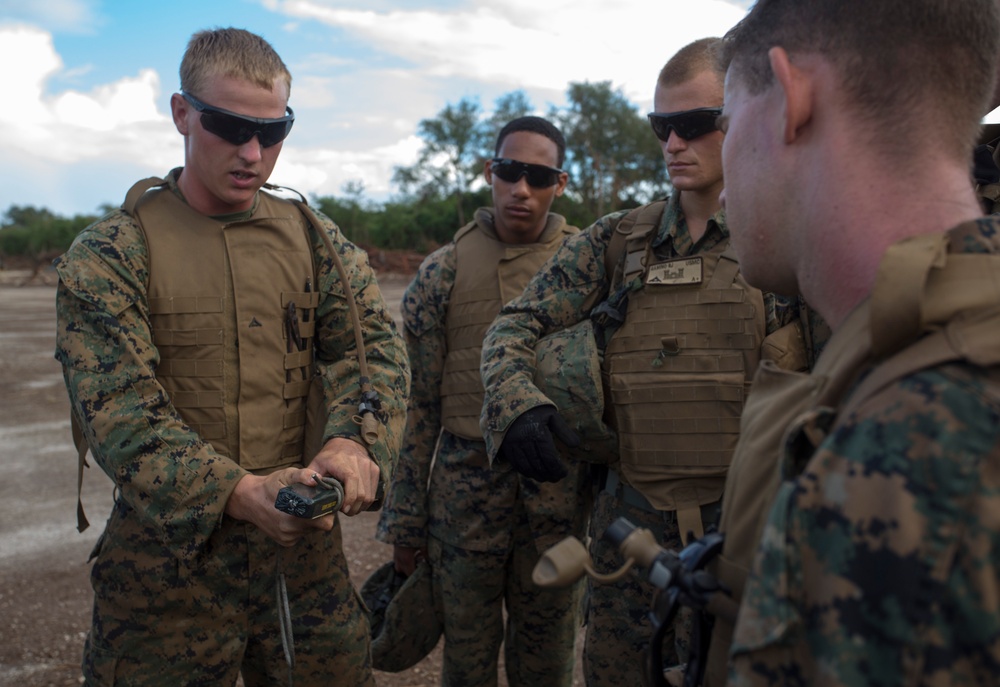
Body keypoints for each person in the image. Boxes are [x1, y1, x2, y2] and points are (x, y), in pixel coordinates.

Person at [54, 28, 409, 686]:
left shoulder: (313, 238)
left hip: (305, 560)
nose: (253, 153)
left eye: (274, 133)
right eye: (229, 126)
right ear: (182, 114)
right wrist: (241, 493)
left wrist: (353, 442)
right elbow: (121, 414)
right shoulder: (113, 252)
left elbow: (375, 357)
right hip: (167, 569)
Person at [480, 38, 826, 687]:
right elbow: (517, 323)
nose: (673, 142)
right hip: (628, 547)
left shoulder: (791, 241)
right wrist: (515, 399)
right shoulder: (616, 240)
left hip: (749, 540)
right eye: (662, 126)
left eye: (694, 125)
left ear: (744, 113)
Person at [709, 0, 1000, 684]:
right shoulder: (930, 368)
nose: (723, 189)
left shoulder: (910, 459)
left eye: (724, 124)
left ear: (789, 95)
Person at [375, 116, 586, 686]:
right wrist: (406, 524)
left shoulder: (588, 267)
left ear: (560, 184)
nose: (521, 189)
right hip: (463, 503)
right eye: (510, 172)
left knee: (547, 664)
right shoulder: (442, 272)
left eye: (538, 176)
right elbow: (416, 407)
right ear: (489, 173)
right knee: (466, 664)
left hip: (556, 500)